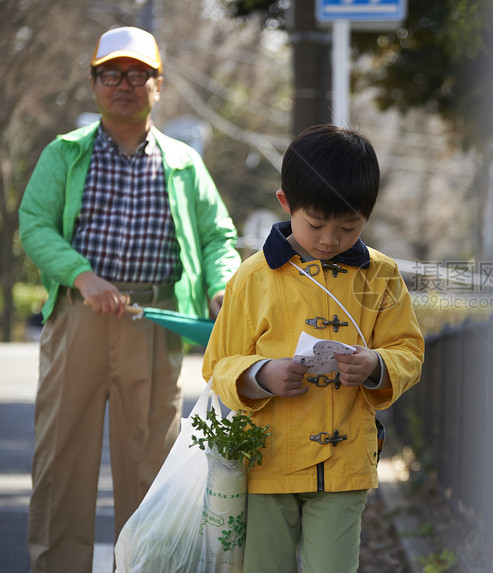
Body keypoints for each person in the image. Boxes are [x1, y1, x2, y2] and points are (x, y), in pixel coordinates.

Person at [18, 26, 242, 572]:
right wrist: (82, 276)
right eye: (111, 74)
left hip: (155, 320)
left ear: (158, 85)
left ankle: (144, 567)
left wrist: (220, 287)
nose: (124, 84)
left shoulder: (185, 163)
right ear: (94, 83)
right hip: (80, 315)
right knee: (62, 459)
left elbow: (219, 237)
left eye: (138, 74)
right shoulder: (65, 154)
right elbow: (35, 224)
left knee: (150, 464)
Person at [202, 123, 424, 572]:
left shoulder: (380, 276)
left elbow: (409, 350)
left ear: (367, 214)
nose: (329, 239)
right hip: (265, 463)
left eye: (349, 226)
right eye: (316, 224)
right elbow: (218, 365)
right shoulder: (252, 276)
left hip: (344, 468)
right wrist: (260, 375)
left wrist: (376, 364)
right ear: (286, 203)